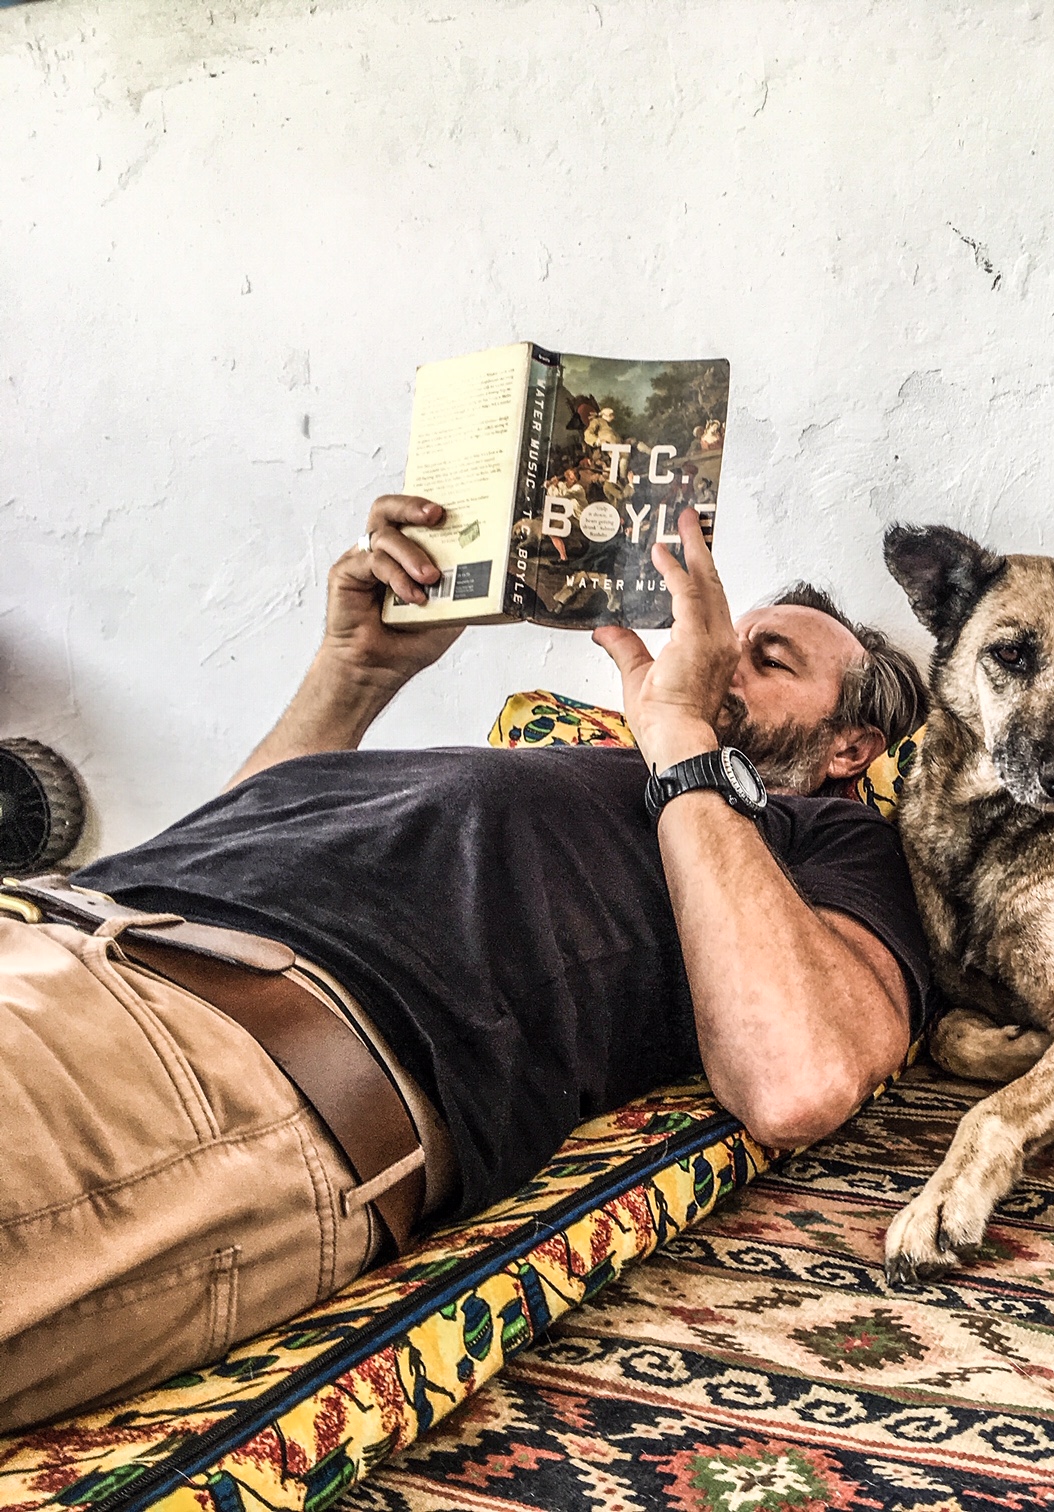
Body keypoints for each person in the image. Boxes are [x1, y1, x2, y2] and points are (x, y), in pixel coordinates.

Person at [0, 494, 931, 1431]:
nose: (717, 651)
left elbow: (798, 1078)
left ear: (852, 746)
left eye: (765, 658)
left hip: (212, 1052)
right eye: (720, 634)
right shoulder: (567, 769)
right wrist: (352, 673)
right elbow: (241, 837)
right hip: (62, 932)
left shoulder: (822, 840)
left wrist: (682, 732)